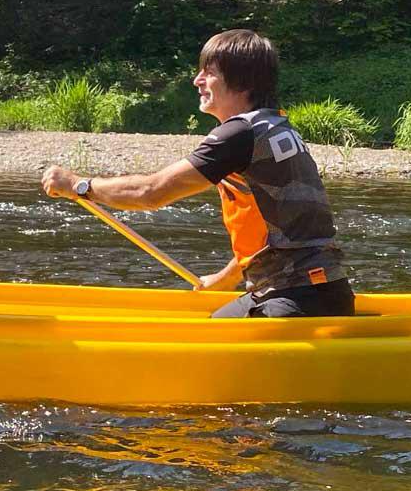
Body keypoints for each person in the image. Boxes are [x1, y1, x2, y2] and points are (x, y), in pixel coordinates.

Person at [40, 28, 353, 319]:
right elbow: (270, 233)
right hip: (319, 292)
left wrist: (79, 186)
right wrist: (224, 279)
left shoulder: (239, 135)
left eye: (209, 73)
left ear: (242, 82)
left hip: (297, 299)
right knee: (213, 323)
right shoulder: (276, 126)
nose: (197, 81)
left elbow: (150, 193)